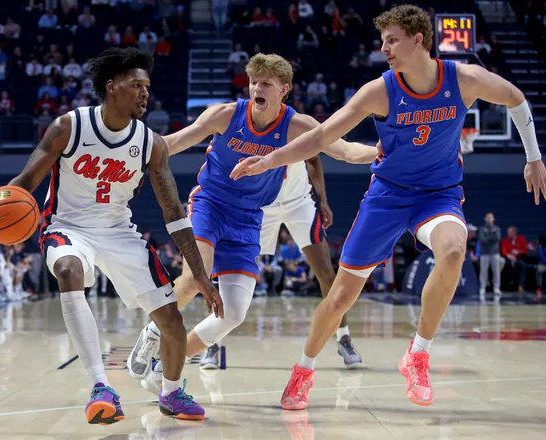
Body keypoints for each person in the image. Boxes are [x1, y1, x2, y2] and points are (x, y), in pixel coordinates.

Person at [231, 4, 546, 409]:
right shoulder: (379, 90)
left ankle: (418, 354)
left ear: (419, 40)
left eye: (392, 40)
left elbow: (516, 97)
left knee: (453, 248)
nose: (385, 49)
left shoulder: (463, 79)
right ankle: (304, 370)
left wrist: (533, 157)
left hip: (438, 193)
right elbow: (323, 134)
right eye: (382, 41)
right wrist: (270, 159)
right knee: (341, 297)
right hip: (388, 194)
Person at [0, 48, 223, 425]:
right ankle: (100, 387)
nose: (145, 93)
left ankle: (171, 394)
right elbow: (25, 183)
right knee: (70, 271)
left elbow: (174, 213)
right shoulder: (68, 127)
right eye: (135, 85)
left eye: (147, 86)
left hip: (119, 232)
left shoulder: (151, 144)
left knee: (172, 322)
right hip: (67, 227)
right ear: (111, 87)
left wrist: (201, 276)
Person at [126, 53, 378, 391]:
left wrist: (381, 152)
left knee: (233, 313)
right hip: (211, 205)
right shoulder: (227, 115)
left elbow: (345, 151)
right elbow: (173, 143)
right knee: (193, 279)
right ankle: (154, 333)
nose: (257, 88)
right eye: (254, 82)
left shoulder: (296, 125)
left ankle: (167, 364)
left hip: (248, 219)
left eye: (266, 84)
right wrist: (131, 150)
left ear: (283, 90)